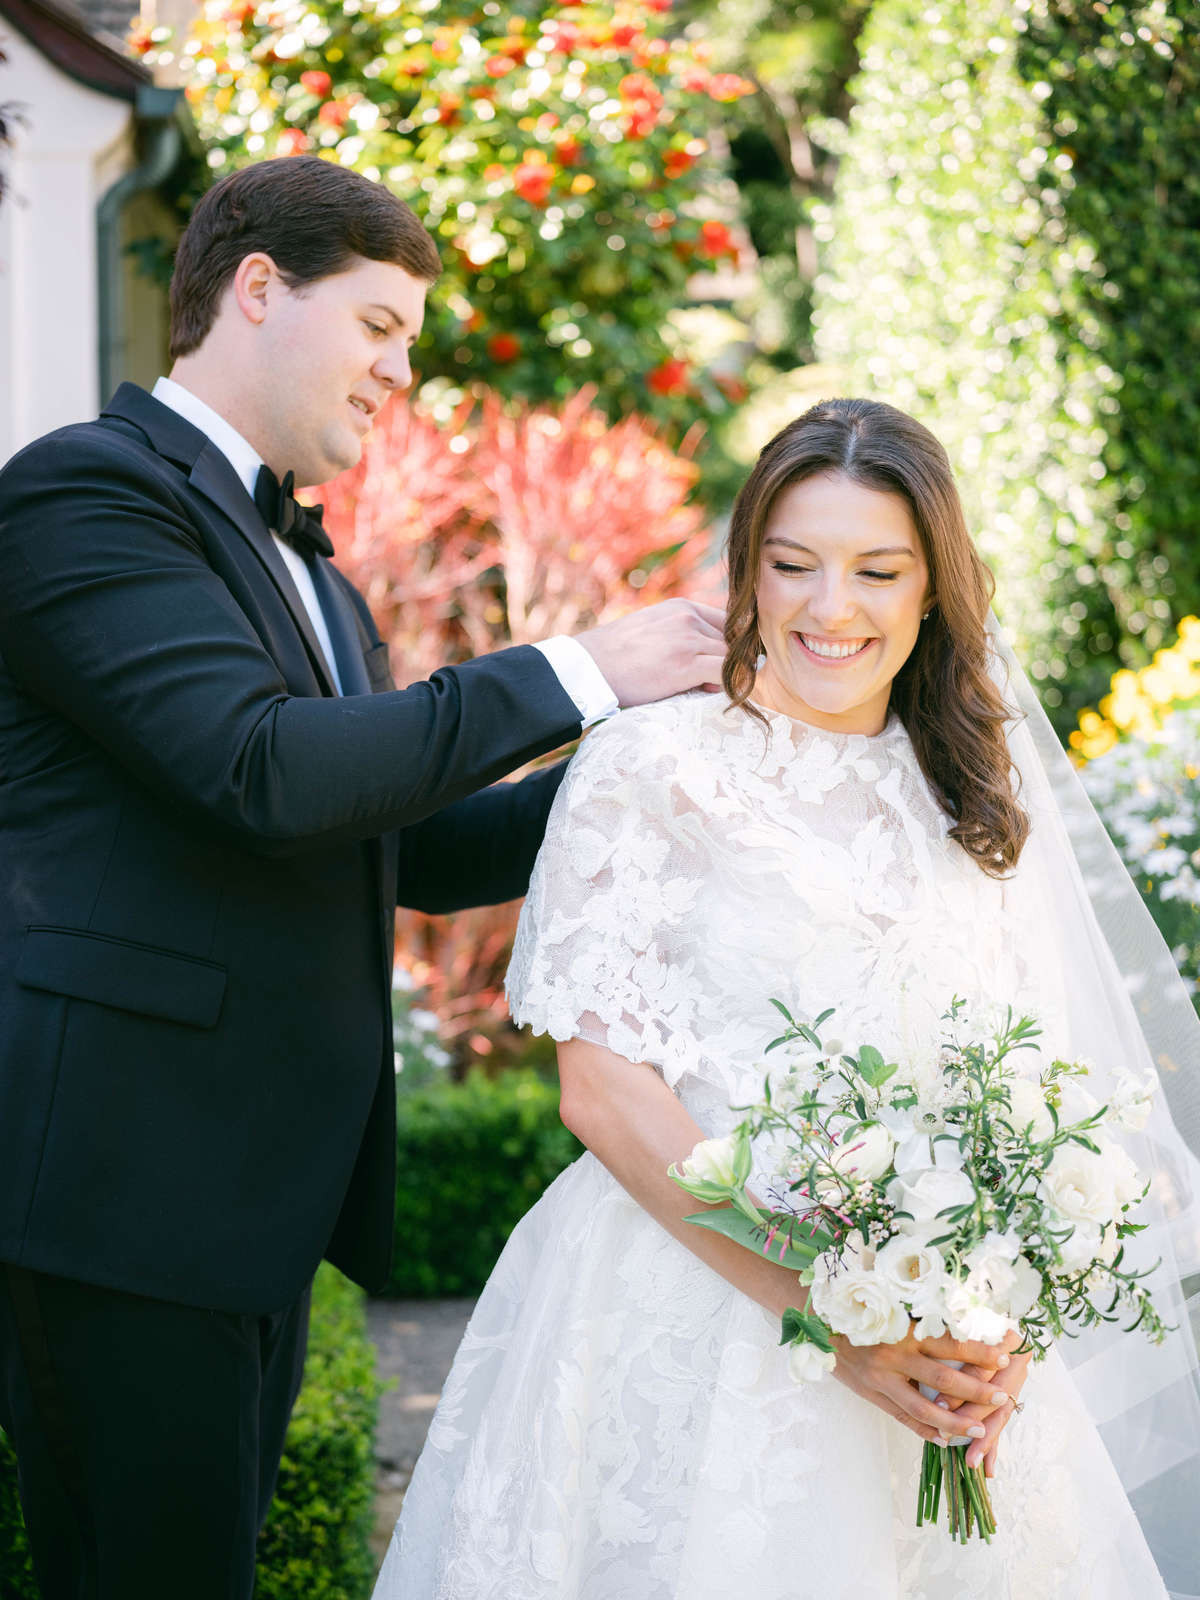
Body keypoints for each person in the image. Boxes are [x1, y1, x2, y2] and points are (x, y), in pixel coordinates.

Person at [0, 156, 726, 1600]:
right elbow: (265, 773)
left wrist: (659, 779)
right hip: (120, 1191)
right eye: (382, 325)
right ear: (258, 288)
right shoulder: (80, 495)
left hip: (243, 1205)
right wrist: (586, 668)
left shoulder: (314, 575)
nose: (403, 369)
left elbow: (400, 841)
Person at [377, 398, 1200, 1599]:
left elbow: (1036, 1094)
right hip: (688, 1312)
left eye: (878, 570)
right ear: (745, 567)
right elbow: (605, 1093)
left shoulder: (975, 784)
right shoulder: (652, 765)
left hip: (937, 1346)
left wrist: (1001, 1324)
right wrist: (833, 1317)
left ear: (934, 589)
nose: (832, 608)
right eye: (794, 564)